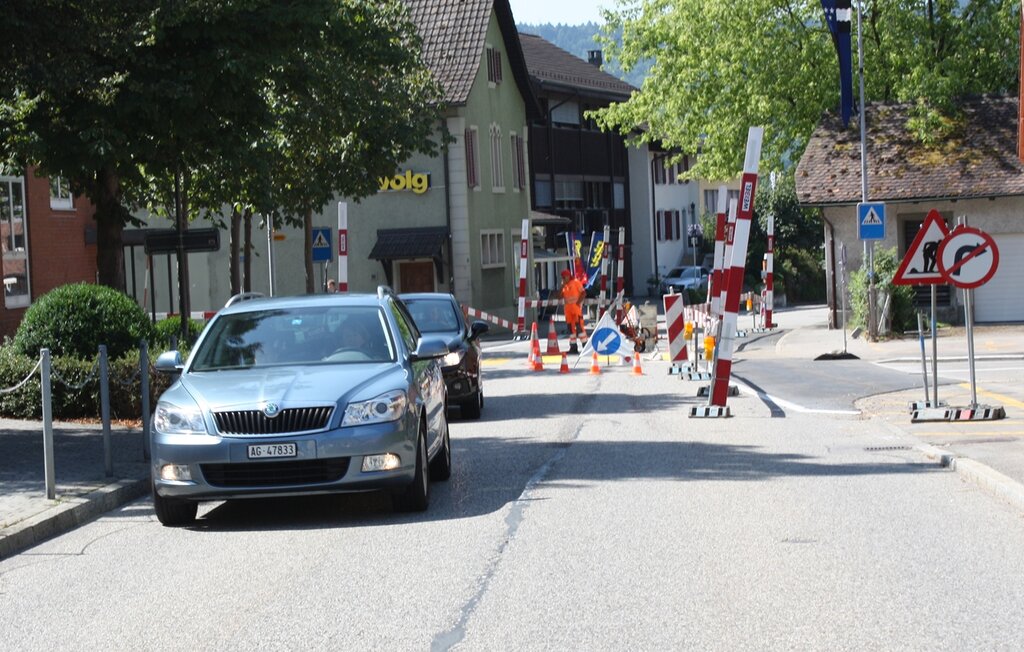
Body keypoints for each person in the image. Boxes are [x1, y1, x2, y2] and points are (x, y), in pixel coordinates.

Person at [559, 269, 587, 353]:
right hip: (568, 311)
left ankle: (585, 346)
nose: (564, 279)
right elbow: (559, 297)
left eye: (565, 277)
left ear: (568, 276)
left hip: (576, 309)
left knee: (579, 327)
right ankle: (573, 347)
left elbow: (583, 293)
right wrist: (562, 286)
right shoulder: (565, 286)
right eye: (562, 278)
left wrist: (578, 303)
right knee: (570, 329)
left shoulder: (576, 282)